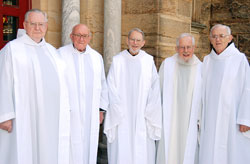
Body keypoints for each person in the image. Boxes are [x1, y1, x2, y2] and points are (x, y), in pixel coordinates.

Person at [0, 9, 69, 164]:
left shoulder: (52, 52)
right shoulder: (12, 50)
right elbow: (2, 81)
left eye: (41, 24)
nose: (37, 28)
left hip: (49, 116)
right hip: (22, 116)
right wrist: (4, 115)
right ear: (25, 25)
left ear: (46, 26)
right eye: (33, 24)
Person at [104, 28, 162, 164]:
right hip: (122, 116)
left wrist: (149, 111)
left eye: (138, 40)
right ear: (127, 40)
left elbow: (155, 88)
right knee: (122, 148)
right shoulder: (118, 61)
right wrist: (118, 111)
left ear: (143, 43)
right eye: (132, 39)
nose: (135, 43)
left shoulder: (148, 61)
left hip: (143, 115)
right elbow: (111, 87)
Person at [58, 24, 109, 164]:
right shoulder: (60, 55)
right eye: (78, 35)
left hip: (90, 112)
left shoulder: (96, 58)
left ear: (90, 37)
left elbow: (103, 84)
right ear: (71, 36)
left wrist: (101, 109)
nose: (81, 39)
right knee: (69, 146)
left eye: (85, 36)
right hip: (69, 111)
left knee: (88, 144)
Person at [199, 24, 250, 164]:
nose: (218, 40)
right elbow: (201, 90)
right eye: (214, 36)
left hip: (232, 119)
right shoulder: (207, 61)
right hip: (210, 118)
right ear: (210, 39)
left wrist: (245, 119)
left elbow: (247, 89)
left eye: (222, 36)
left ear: (230, 38)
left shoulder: (239, 59)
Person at [156, 33, 202, 164]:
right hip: (170, 119)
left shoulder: (201, 68)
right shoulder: (168, 65)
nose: (186, 51)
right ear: (176, 49)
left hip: (191, 120)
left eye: (189, 47)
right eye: (182, 47)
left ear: (194, 48)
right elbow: (158, 92)